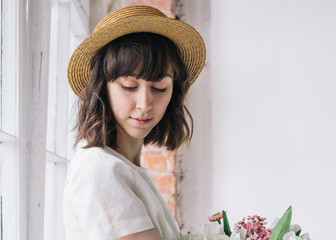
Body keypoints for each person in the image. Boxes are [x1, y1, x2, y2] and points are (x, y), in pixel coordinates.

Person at [63, 5, 206, 240]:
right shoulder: (99, 168)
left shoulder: (127, 168)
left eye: (159, 88)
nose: (145, 104)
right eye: (129, 86)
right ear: (102, 87)